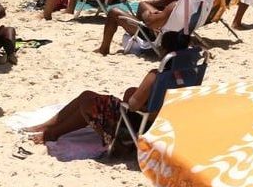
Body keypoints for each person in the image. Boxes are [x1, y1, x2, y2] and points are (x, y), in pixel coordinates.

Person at [26, 32, 190, 147]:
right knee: (88, 96)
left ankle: (51, 133)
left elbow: (132, 106)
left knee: (88, 103)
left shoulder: (156, 75)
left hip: (137, 124)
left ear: (164, 51)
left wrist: (130, 94)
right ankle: (47, 127)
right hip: (159, 123)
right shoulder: (190, 75)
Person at [95, 0, 178, 55]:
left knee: (113, 12)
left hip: (156, 37)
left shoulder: (174, 6)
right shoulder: (186, 5)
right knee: (142, 4)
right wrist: (158, 11)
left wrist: (147, 14)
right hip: (172, 35)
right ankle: (138, 29)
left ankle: (103, 49)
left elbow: (151, 23)